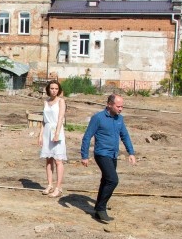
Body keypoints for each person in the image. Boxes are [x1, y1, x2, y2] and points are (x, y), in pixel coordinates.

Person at [80, 93, 136, 223]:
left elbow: (125, 136)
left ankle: (98, 210)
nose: (120, 109)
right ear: (109, 104)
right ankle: (101, 208)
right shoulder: (98, 118)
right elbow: (87, 136)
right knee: (113, 180)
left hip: (113, 154)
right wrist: (85, 156)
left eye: (122, 106)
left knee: (106, 181)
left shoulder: (119, 119)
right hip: (101, 153)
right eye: (118, 106)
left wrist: (131, 153)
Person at [39, 80, 68, 197]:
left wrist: (57, 133)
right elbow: (43, 120)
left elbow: (61, 118)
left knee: (58, 159)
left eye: (56, 89)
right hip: (47, 131)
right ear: (48, 89)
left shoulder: (61, 101)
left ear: (59, 90)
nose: (54, 91)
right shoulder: (46, 102)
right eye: (52, 88)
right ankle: (49, 184)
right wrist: (40, 135)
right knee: (48, 158)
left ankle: (58, 187)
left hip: (57, 130)